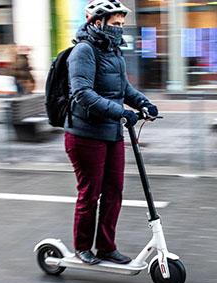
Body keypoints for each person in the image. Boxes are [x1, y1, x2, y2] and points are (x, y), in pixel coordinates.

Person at [64, 0, 158, 265]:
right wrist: (120, 112)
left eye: (122, 24)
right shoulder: (83, 51)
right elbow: (82, 93)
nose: (120, 29)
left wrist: (143, 103)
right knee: (90, 194)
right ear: (97, 23)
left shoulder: (114, 51)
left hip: (112, 133)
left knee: (114, 192)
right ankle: (83, 247)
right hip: (84, 135)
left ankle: (106, 247)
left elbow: (124, 89)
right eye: (116, 24)